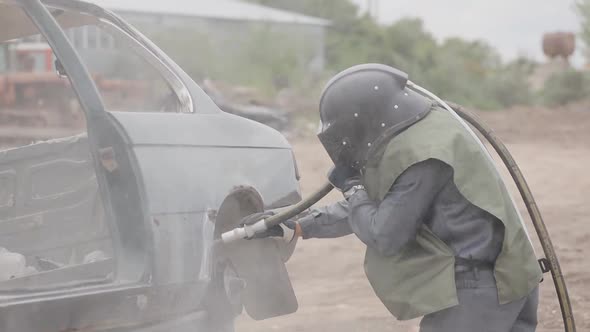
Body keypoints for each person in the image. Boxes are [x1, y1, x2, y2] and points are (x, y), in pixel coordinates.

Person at [247, 64, 542, 332]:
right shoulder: (427, 130)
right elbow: (383, 204)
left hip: (483, 290)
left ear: (367, 119)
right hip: (509, 277)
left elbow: (385, 233)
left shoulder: (421, 156)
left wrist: (352, 187)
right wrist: (295, 223)